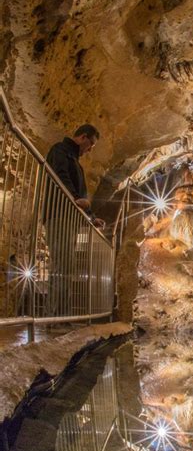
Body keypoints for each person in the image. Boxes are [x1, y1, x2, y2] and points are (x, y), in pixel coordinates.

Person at [44, 124, 105, 317]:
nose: (90, 150)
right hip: (58, 213)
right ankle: (54, 316)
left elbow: (81, 196)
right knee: (62, 266)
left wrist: (92, 218)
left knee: (66, 267)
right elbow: (60, 177)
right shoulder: (60, 150)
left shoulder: (76, 163)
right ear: (83, 137)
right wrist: (73, 197)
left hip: (68, 216)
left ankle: (62, 315)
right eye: (91, 145)